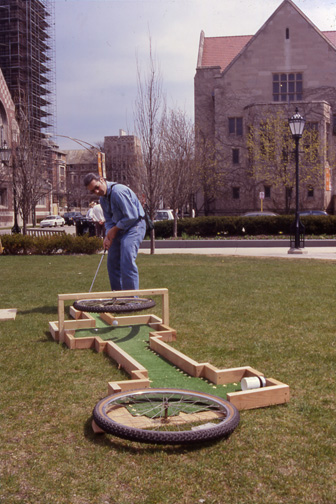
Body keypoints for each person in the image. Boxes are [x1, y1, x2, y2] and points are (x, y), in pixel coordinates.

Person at [83, 173, 146, 291]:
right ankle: (117, 297)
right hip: (120, 228)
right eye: (92, 191)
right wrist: (108, 236)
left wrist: (114, 230)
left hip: (135, 226)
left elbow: (132, 216)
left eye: (97, 187)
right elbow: (109, 221)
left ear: (101, 180)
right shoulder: (102, 199)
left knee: (127, 259)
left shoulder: (118, 192)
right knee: (112, 262)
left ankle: (131, 300)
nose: (96, 192)